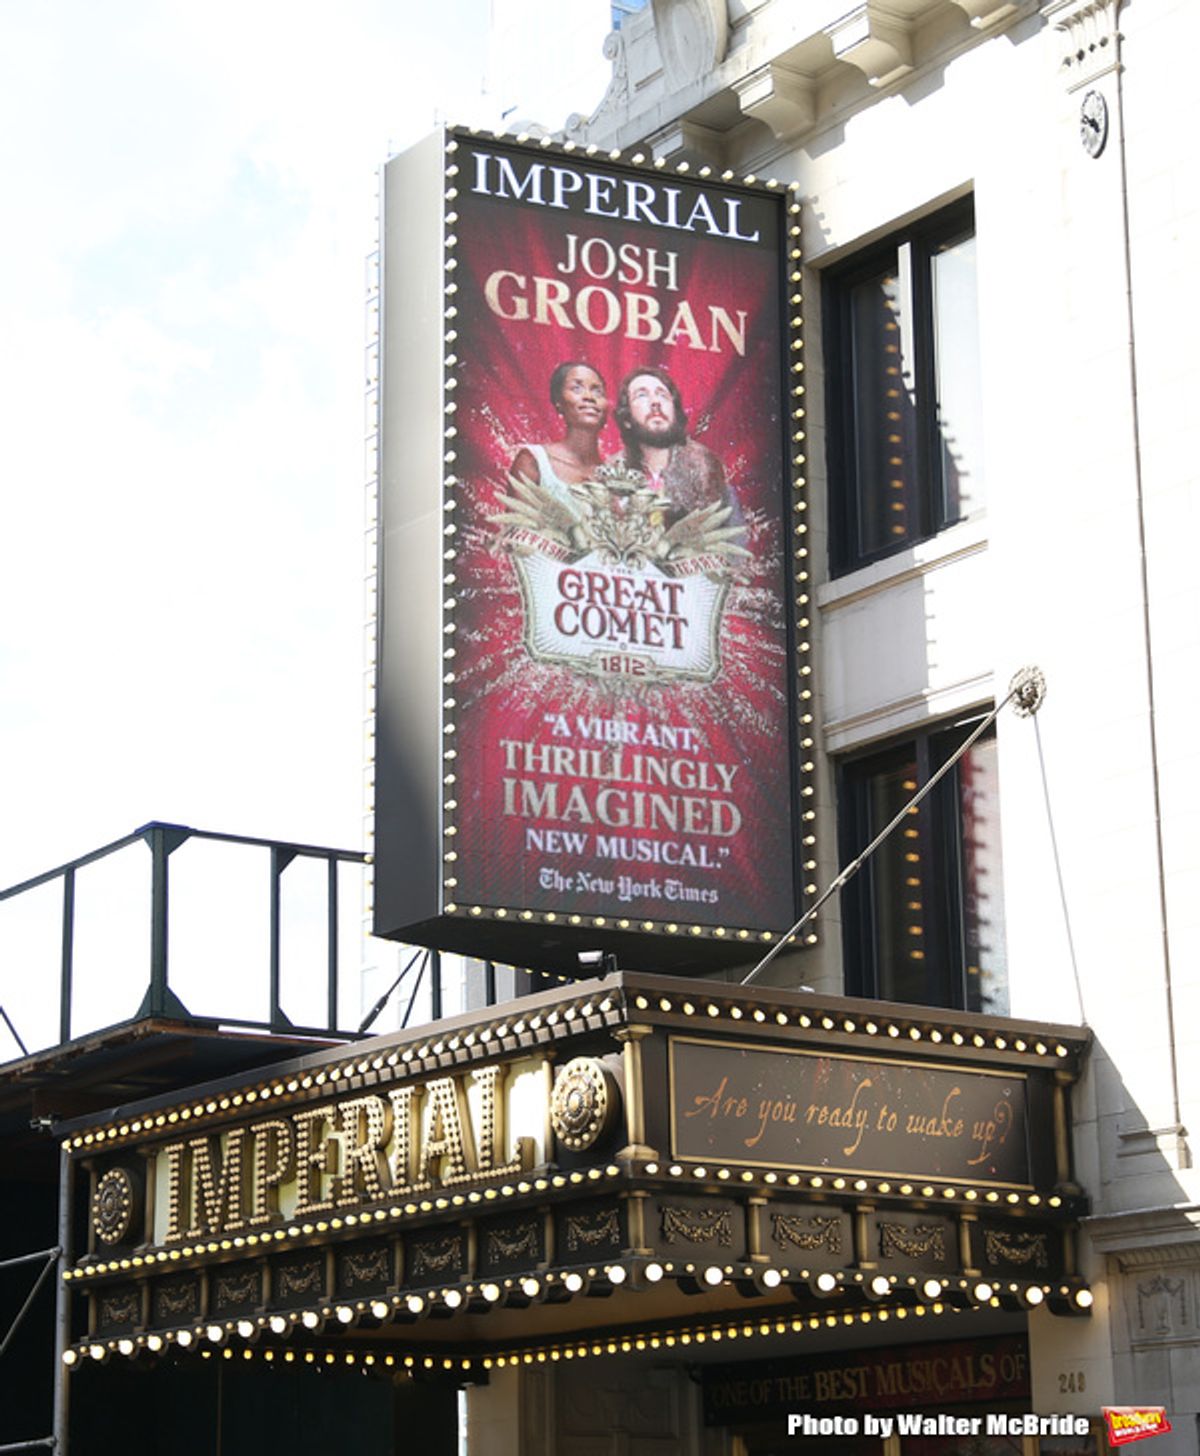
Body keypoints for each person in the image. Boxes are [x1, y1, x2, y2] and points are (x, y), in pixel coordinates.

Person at [609, 365, 730, 516]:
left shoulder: (706, 466)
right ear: (626, 418)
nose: (655, 402)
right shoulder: (612, 473)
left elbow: (732, 532)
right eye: (642, 395)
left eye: (662, 395)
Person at [511, 362, 609, 505]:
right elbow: (515, 525)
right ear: (559, 403)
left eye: (597, 391)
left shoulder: (615, 478)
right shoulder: (534, 461)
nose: (589, 397)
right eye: (577, 388)